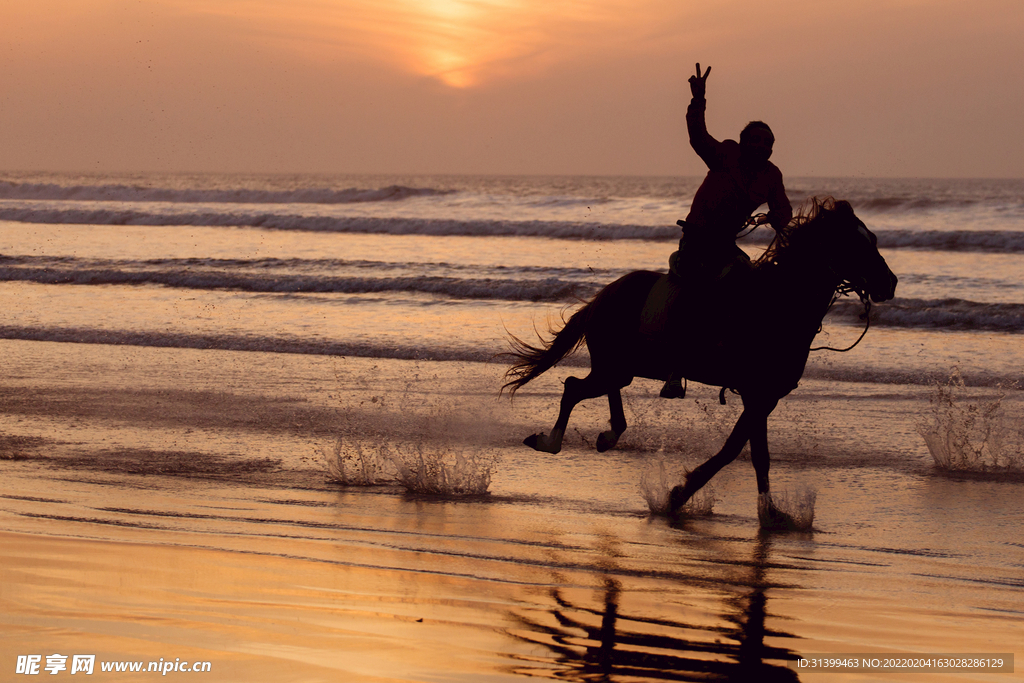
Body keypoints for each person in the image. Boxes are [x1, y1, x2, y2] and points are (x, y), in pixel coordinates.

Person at [660, 63, 793, 398]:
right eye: (758, 141)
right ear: (745, 142)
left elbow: (782, 210)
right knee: (699, 291)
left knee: (754, 291)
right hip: (697, 241)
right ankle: (675, 370)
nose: (764, 147)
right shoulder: (724, 154)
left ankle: (739, 359)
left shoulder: (771, 175)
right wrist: (698, 99)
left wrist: (781, 218)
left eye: (769, 143)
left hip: (725, 247)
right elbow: (697, 135)